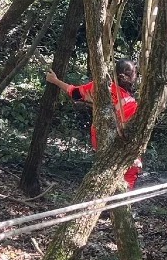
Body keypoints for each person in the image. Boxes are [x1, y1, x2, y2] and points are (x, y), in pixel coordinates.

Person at [45, 59, 143, 187]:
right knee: (124, 190)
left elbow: (74, 92)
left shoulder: (99, 88)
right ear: (132, 77)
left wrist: (55, 81)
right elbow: (130, 135)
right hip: (120, 151)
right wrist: (135, 157)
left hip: (99, 142)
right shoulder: (131, 103)